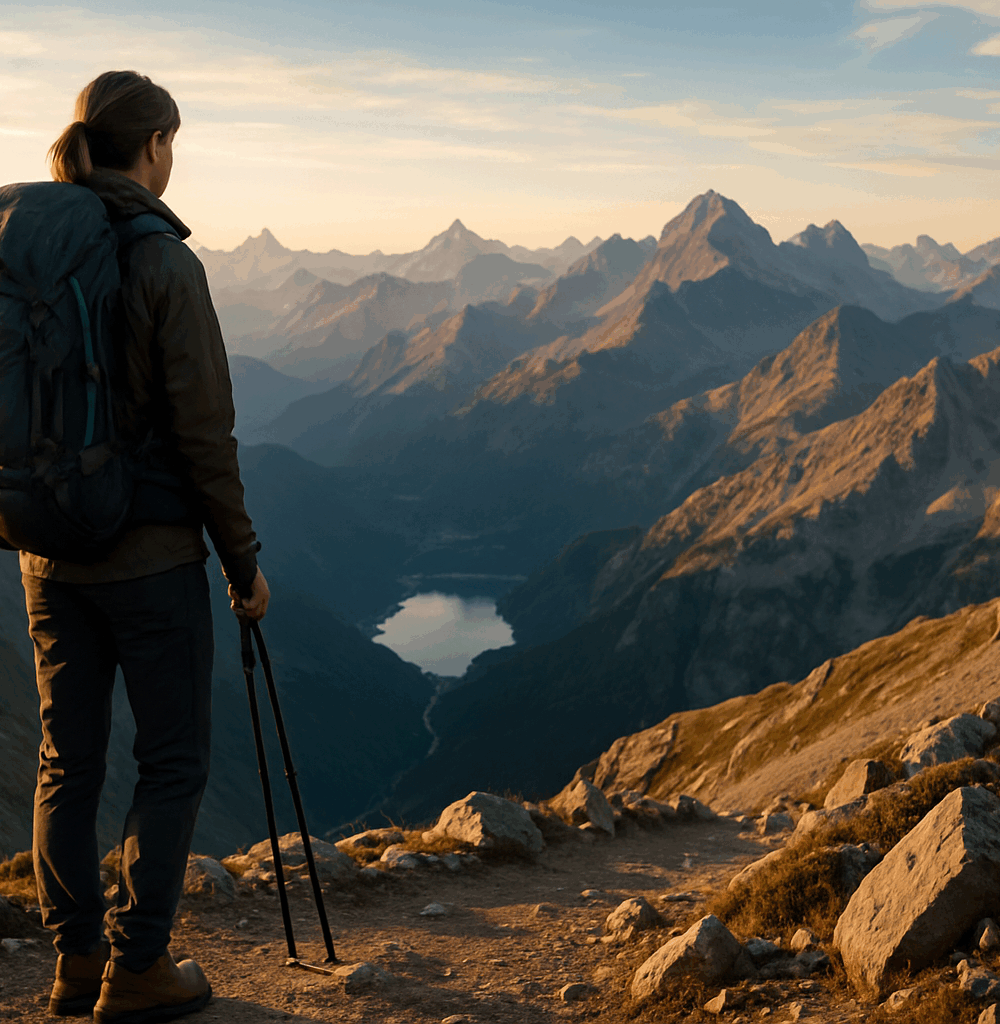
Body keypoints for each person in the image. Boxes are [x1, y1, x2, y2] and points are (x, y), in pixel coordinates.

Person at [21, 70, 269, 1023]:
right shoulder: (165, 263)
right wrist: (242, 563)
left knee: (65, 759)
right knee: (170, 760)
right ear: (156, 145)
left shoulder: (39, 253)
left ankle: (74, 962)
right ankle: (140, 966)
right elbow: (206, 434)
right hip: (151, 562)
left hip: (46, 555)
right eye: (174, 143)